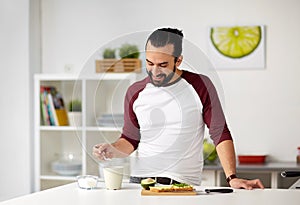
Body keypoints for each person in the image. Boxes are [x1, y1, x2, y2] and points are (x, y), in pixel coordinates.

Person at [93, 27, 264, 189]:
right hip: (140, 183)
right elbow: (130, 140)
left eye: (162, 65)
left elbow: (219, 132)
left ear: (178, 60)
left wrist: (231, 177)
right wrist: (112, 148)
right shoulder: (135, 91)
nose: (154, 71)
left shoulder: (200, 85)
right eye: (150, 63)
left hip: (181, 184)